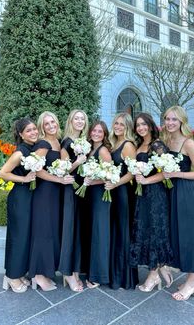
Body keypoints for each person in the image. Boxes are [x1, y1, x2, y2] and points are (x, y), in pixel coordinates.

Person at [163, 105, 194, 301]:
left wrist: (176, 173)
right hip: (173, 195)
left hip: (189, 196)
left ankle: (192, 281)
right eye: (167, 119)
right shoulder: (167, 139)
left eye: (174, 119)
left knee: (191, 240)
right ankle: (193, 277)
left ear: (182, 121)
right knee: (179, 238)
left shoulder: (187, 143)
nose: (170, 123)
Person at [28, 111, 74, 291]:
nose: (51, 125)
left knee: (51, 232)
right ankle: (38, 275)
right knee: (43, 232)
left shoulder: (58, 141)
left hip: (56, 193)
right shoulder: (43, 143)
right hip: (44, 193)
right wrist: (59, 180)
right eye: (46, 124)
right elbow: (37, 170)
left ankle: (46, 271)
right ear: (42, 127)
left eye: (52, 121)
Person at [129, 113, 173, 292]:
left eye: (143, 124)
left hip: (155, 194)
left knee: (154, 231)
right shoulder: (139, 145)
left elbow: (167, 170)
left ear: (150, 125)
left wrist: (146, 181)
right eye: (138, 125)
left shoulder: (157, 144)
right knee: (144, 230)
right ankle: (159, 266)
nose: (141, 128)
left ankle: (153, 274)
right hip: (140, 195)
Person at [0, 117, 38, 293]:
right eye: (28, 130)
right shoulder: (20, 153)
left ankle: (19, 272)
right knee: (18, 237)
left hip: (30, 198)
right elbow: (2, 173)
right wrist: (23, 179)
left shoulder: (34, 149)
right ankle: (11, 276)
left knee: (26, 237)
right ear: (21, 134)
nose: (33, 132)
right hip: (20, 199)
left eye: (34, 129)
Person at [105, 112, 138, 289]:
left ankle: (123, 277)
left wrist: (115, 183)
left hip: (123, 192)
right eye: (116, 123)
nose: (118, 127)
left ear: (127, 127)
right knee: (114, 231)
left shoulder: (128, 145)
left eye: (122, 125)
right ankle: (112, 273)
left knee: (122, 231)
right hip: (113, 192)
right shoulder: (113, 143)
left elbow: (131, 173)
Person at [59, 109, 89, 292]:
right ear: (70, 121)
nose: (80, 121)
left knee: (78, 229)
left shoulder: (82, 142)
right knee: (70, 230)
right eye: (76, 118)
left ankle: (76, 271)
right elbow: (63, 171)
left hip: (82, 189)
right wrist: (78, 162)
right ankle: (68, 273)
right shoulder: (66, 143)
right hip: (70, 189)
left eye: (82, 119)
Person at [83, 121, 112, 288]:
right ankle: (90, 269)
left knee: (100, 234)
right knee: (92, 232)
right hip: (90, 196)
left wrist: (92, 181)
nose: (96, 133)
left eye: (100, 131)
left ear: (104, 134)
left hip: (101, 196)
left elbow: (110, 175)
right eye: (94, 130)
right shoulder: (89, 149)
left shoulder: (103, 151)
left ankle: (98, 275)